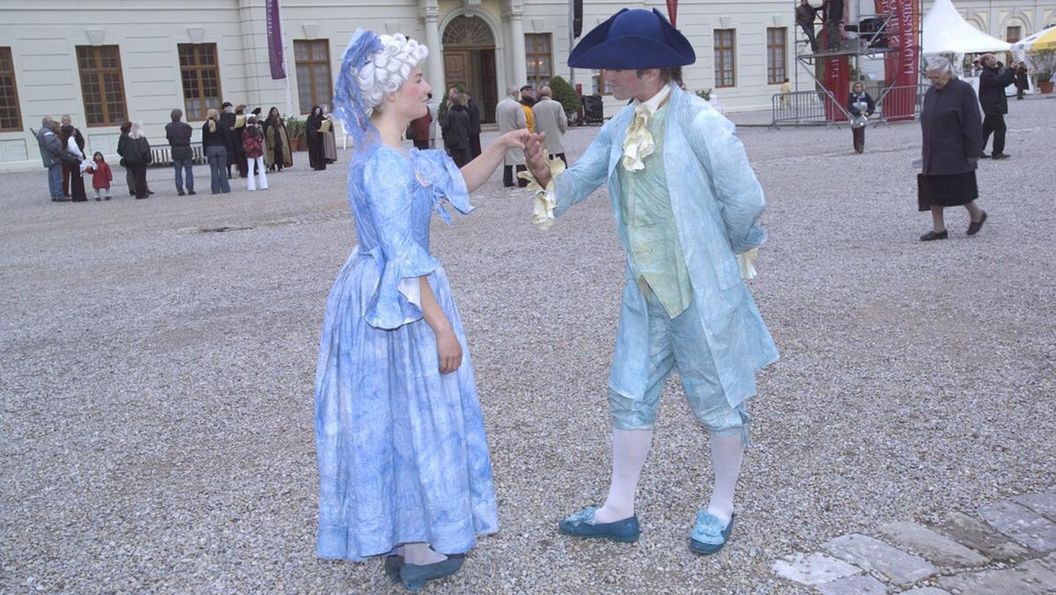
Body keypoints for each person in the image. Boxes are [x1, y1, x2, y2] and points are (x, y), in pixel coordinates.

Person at [523, 8, 778, 555]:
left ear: (650, 70)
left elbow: (746, 199)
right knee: (629, 393)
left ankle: (721, 504)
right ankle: (619, 509)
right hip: (643, 292)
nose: (605, 77)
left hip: (699, 292)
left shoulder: (703, 122)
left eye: (614, 67)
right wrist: (545, 173)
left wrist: (725, 256)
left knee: (716, 399)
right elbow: (580, 182)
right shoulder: (619, 127)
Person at [314, 29, 528, 592]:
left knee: (398, 415)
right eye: (416, 79)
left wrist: (502, 147)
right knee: (418, 411)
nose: (428, 87)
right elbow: (403, 260)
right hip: (401, 300)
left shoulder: (399, 156)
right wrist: (442, 329)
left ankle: (409, 536)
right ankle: (420, 544)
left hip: (393, 291)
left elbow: (455, 181)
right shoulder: (382, 167)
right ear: (388, 95)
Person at [917, 56, 987, 241]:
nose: (933, 82)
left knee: (959, 188)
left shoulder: (964, 91)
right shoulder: (932, 92)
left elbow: (973, 122)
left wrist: (973, 151)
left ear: (949, 73)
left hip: (955, 150)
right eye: (930, 78)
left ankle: (977, 214)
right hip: (933, 150)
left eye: (936, 78)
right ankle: (939, 229)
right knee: (932, 189)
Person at [978, 53, 1015, 160]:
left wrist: (1011, 71)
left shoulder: (991, 73)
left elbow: (1005, 82)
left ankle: (977, 150)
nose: (995, 59)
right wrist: (1010, 70)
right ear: (986, 61)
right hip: (992, 105)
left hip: (993, 104)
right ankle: (997, 152)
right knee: (1000, 127)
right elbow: (1001, 81)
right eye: (992, 58)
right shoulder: (987, 74)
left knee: (986, 129)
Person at [496, 85, 528, 187]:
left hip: (504, 134)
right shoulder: (516, 105)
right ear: (515, 93)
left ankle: (507, 180)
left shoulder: (499, 105)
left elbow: (497, 120)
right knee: (519, 158)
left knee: (507, 159)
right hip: (516, 134)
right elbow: (521, 122)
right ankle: (522, 180)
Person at [531, 85, 568, 165]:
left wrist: (538, 137)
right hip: (556, 136)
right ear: (550, 94)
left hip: (543, 138)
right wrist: (562, 131)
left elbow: (534, 125)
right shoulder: (557, 105)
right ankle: (564, 175)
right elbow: (563, 121)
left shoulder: (535, 107)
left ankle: (549, 176)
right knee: (561, 159)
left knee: (547, 160)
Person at [166, 108, 196, 196]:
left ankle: (180, 190)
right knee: (189, 170)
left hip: (175, 149)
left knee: (178, 171)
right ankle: (190, 188)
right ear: (180, 116)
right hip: (186, 149)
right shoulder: (186, 126)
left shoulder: (168, 127)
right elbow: (189, 135)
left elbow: (169, 138)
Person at [36, 116, 66, 201]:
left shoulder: (43, 131)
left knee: (52, 177)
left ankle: (54, 195)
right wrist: (59, 152)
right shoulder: (47, 132)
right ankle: (59, 195)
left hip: (50, 158)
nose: (53, 123)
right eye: (51, 122)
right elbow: (52, 145)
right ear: (48, 123)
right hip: (54, 158)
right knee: (57, 177)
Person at [202, 108, 231, 194]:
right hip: (221, 148)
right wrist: (229, 149)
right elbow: (226, 137)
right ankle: (225, 188)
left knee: (213, 170)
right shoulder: (221, 124)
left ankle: (215, 189)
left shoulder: (205, 126)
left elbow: (204, 140)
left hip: (210, 149)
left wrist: (204, 151)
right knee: (222, 169)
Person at [440, 89, 472, 167]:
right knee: (464, 161)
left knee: (455, 162)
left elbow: (445, 126)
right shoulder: (464, 113)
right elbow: (468, 127)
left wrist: (445, 136)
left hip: (454, 141)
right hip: (463, 140)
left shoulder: (450, 113)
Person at [123, 121, 152, 200]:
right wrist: (148, 159)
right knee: (141, 177)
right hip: (140, 160)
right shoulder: (141, 137)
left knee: (135, 177)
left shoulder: (128, 138)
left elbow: (126, 150)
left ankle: (139, 192)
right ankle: (141, 193)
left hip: (132, 161)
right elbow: (145, 150)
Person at [60, 124, 88, 202]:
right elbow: (74, 149)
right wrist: (81, 155)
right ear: (71, 131)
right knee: (78, 178)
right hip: (75, 160)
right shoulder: (71, 139)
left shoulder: (65, 139)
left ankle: (76, 195)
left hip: (71, 161)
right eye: (73, 130)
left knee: (74, 178)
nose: (75, 131)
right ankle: (79, 196)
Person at [847, 81, 875, 154]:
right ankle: (856, 148)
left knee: (861, 132)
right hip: (853, 117)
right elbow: (849, 106)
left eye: (860, 87)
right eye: (857, 87)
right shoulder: (851, 96)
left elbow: (872, 105)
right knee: (855, 132)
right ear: (854, 88)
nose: (858, 88)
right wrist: (858, 112)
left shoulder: (866, 95)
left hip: (862, 117)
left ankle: (860, 148)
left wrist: (868, 112)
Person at [262, 107, 293, 172]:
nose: (275, 112)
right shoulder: (268, 120)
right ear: (271, 112)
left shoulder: (280, 120)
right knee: (271, 154)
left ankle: (280, 166)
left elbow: (283, 130)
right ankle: (272, 166)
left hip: (279, 139)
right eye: (273, 111)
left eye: (276, 111)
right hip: (271, 140)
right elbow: (265, 130)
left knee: (280, 153)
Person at [243, 114, 268, 191]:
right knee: (261, 167)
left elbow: (243, 139)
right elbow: (262, 138)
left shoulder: (245, 131)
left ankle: (251, 186)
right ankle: (264, 185)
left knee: (250, 169)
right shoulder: (258, 130)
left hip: (249, 150)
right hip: (258, 149)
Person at [306, 104, 327, 171]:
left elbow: (326, 123)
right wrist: (315, 130)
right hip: (313, 138)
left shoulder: (321, 117)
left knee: (321, 151)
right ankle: (316, 165)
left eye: (319, 110)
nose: (318, 112)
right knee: (315, 152)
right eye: (316, 110)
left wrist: (328, 122)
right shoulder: (310, 118)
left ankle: (322, 165)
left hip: (320, 137)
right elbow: (310, 127)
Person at [465, 93, 482, 158]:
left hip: (474, 128)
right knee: (474, 144)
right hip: (474, 128)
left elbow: (471, 113)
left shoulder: (472, 104)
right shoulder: (471, 103)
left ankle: (476, 155)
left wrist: (465, 107)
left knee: (475, 144)